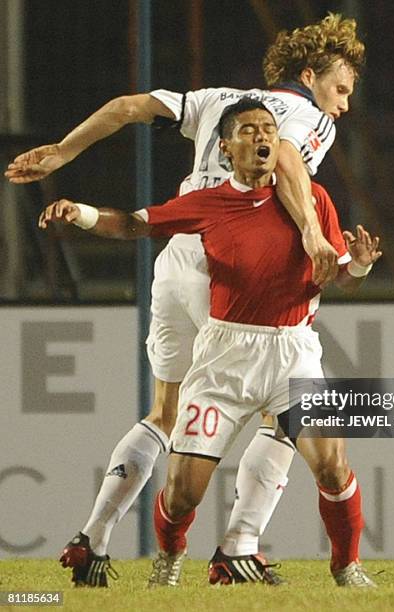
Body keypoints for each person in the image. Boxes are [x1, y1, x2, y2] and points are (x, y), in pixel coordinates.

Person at [9, 13, 365, 587]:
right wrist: (311, 233)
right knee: (287, 407)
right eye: (341, 89)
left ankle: (94, 537)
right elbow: (292, 163)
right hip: (229, 267)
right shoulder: (304, 117)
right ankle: (239, 546)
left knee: (165, 411)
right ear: (309, 76)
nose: (342, 105)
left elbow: (129, 106)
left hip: (175, 255)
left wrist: (64, 150)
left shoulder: (216, 99)